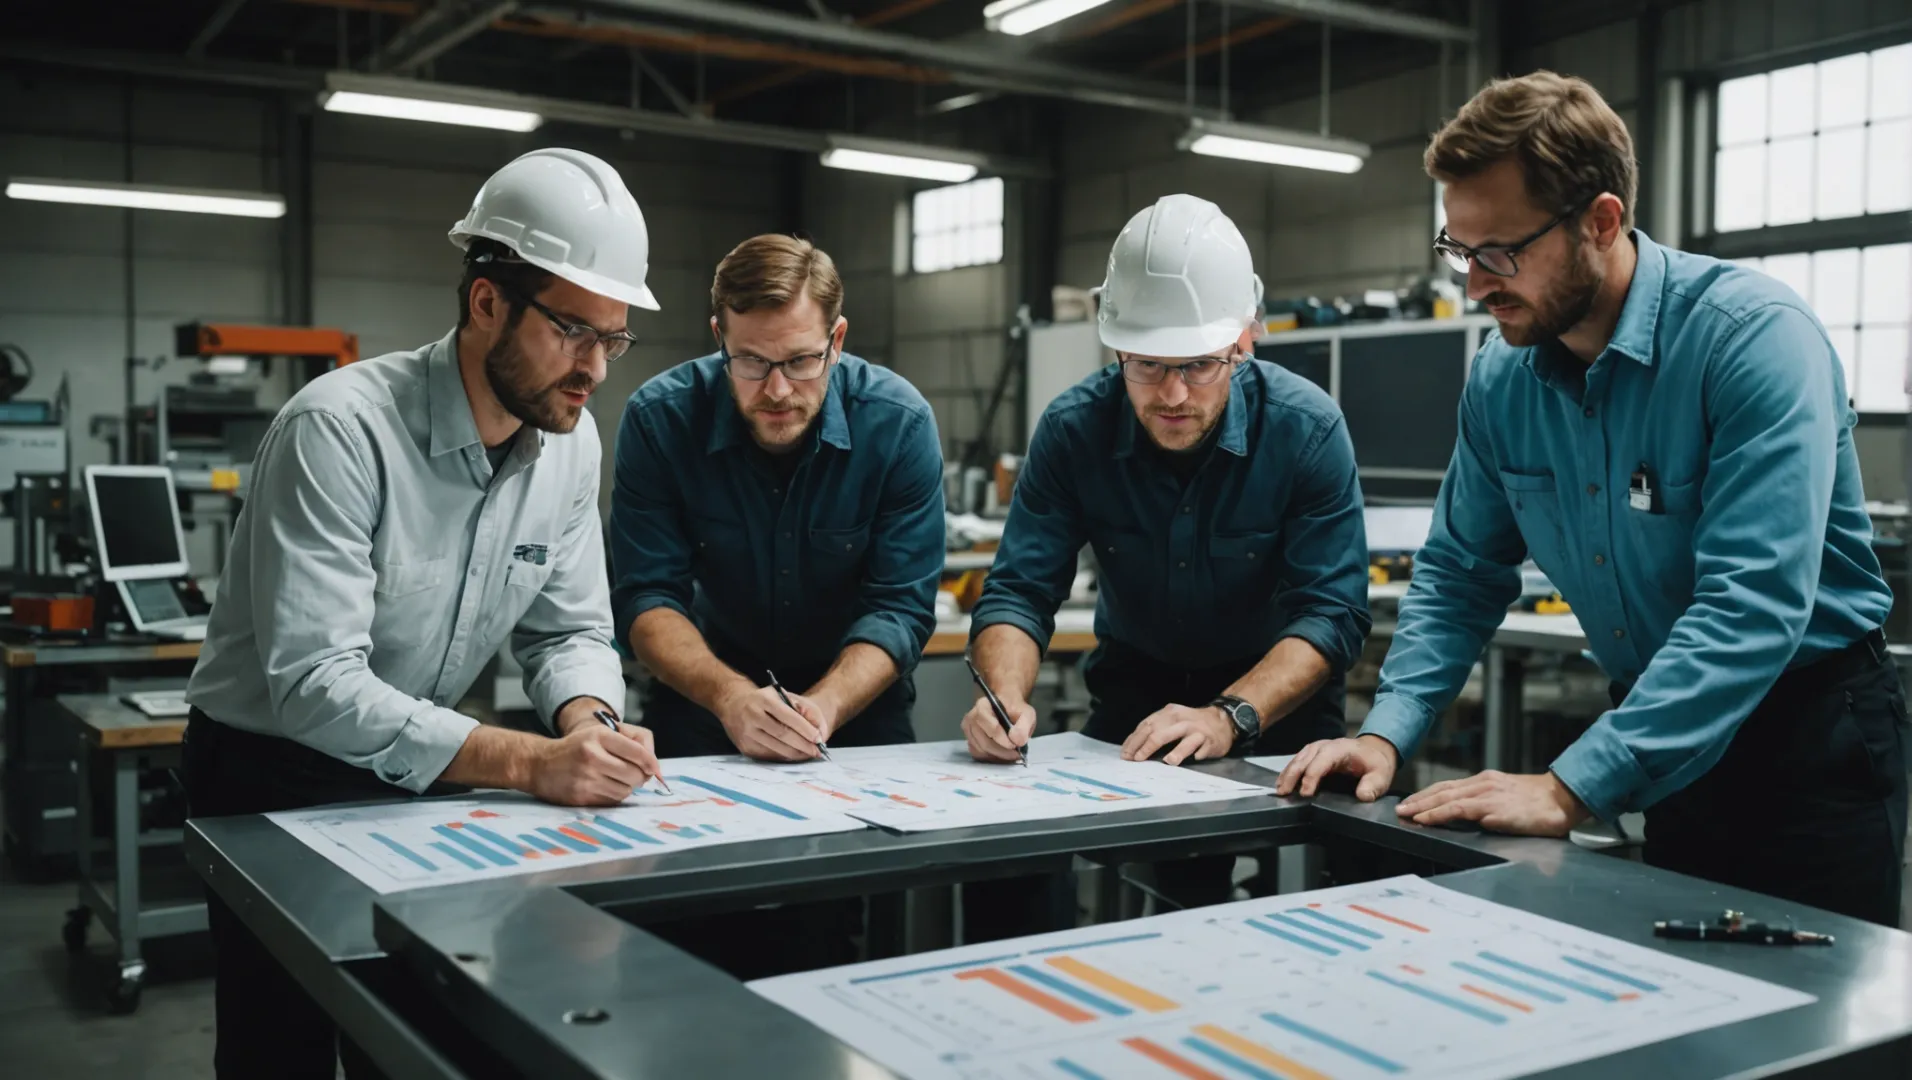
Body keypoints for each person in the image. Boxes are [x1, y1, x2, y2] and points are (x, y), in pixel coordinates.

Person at [1278, 72, 1909, 928]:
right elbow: (1461, 572)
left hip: (1807, 737)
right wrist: (1385, 732)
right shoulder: (1503, 380)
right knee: (1690, 1006)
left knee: (1819, 1032)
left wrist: (1571, 785)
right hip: (1663, 732)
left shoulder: (1751, 340)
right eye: (1459, 251)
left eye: (1500, 253)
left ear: (1601, 221)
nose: (1474, 285)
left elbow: (1753, 607)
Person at [182, 148, 667, 1079]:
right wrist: (531, 760)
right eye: (574, 330)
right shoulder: (338, 430)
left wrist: (591, 724)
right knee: (276, 1040)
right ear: (487, 302)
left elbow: (568, 630)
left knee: (410, 1029)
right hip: (266, 769)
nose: (595, 369)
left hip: (420, 765)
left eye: (614, 339)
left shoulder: (571, 443)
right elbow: (316, 688)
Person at [962, 194, 1371, 929]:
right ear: (1115, 346)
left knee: (1309, 922)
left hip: (1280, 713)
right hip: (1137, 706)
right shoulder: (1072, 431)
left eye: (1199, 367)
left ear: (1244, 342)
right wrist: (1004, 699)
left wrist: (1228, 716)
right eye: (1149, 366)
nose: (1174, 394)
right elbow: (1019, 592)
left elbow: (1332, 613)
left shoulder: (1307, 432)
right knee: (1162, 912)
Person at [608, 232, 944, 972]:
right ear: (719, 334)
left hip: (853, 716)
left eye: (800, 360)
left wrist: (820, 710)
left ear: (838, 337)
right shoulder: (662, 420)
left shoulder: (899, 423)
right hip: (703, 703)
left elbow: (900, 606)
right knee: (688, 938)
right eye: (753, 363)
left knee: (838, 946)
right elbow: (647, 596)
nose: (779, 389)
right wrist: (730, 697)